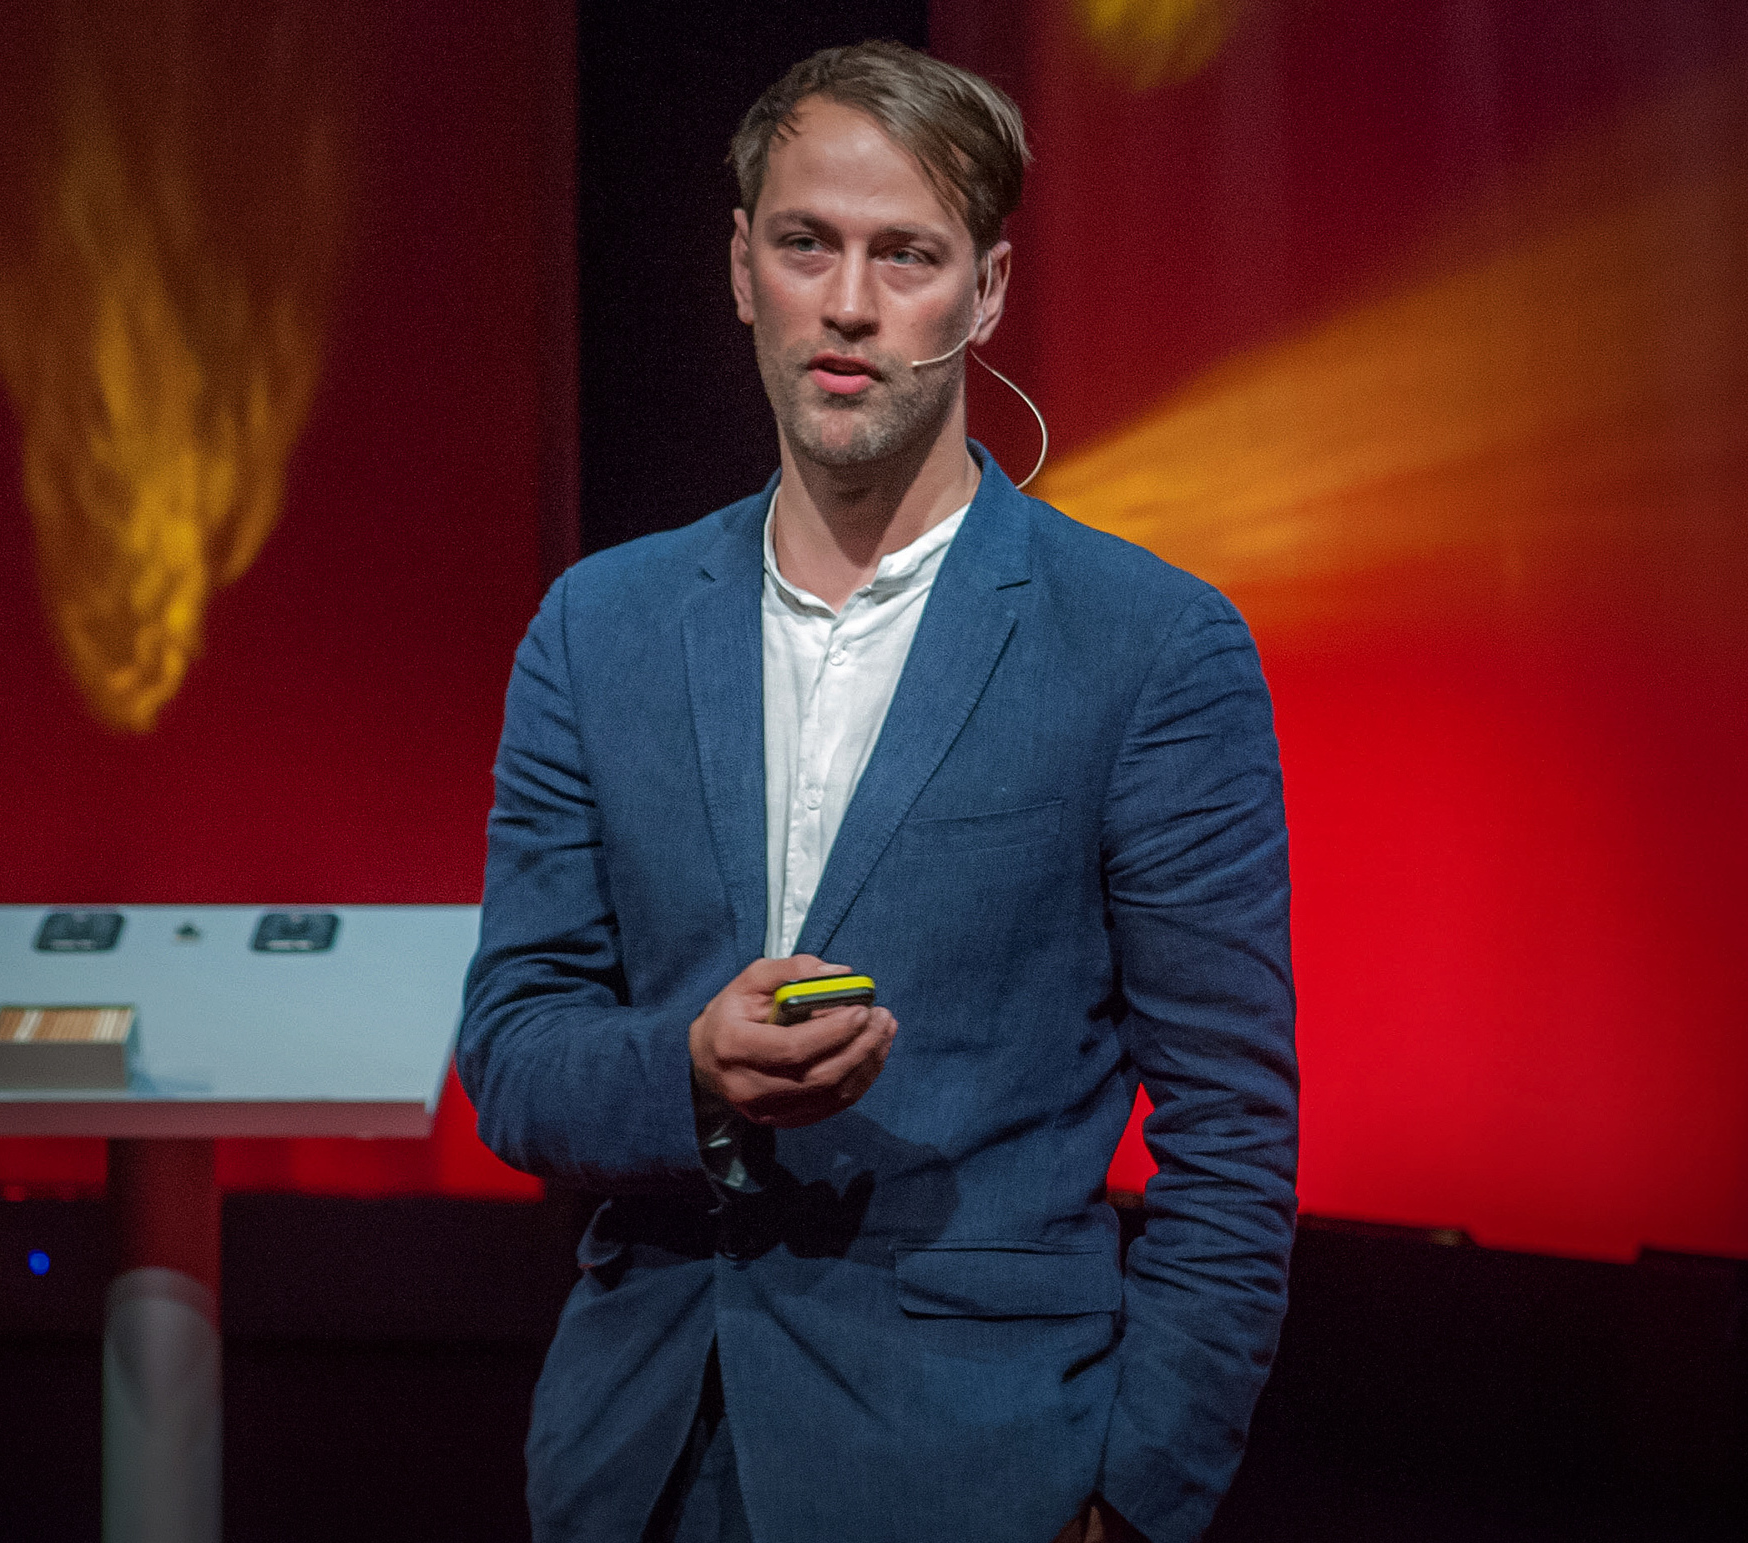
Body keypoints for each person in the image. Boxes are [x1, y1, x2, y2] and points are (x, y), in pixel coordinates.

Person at [458, 40, 1296, 1543]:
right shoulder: (600, 627)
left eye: (904, 254)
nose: (848, 303)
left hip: (981, 1464)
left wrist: (1138, 1497)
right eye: (806, 244)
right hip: (640, 1458)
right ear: (739, 267)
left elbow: (1231, 1132)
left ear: (981, 293)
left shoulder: (1147, 646)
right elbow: (514, 1054)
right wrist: (691, 1071)